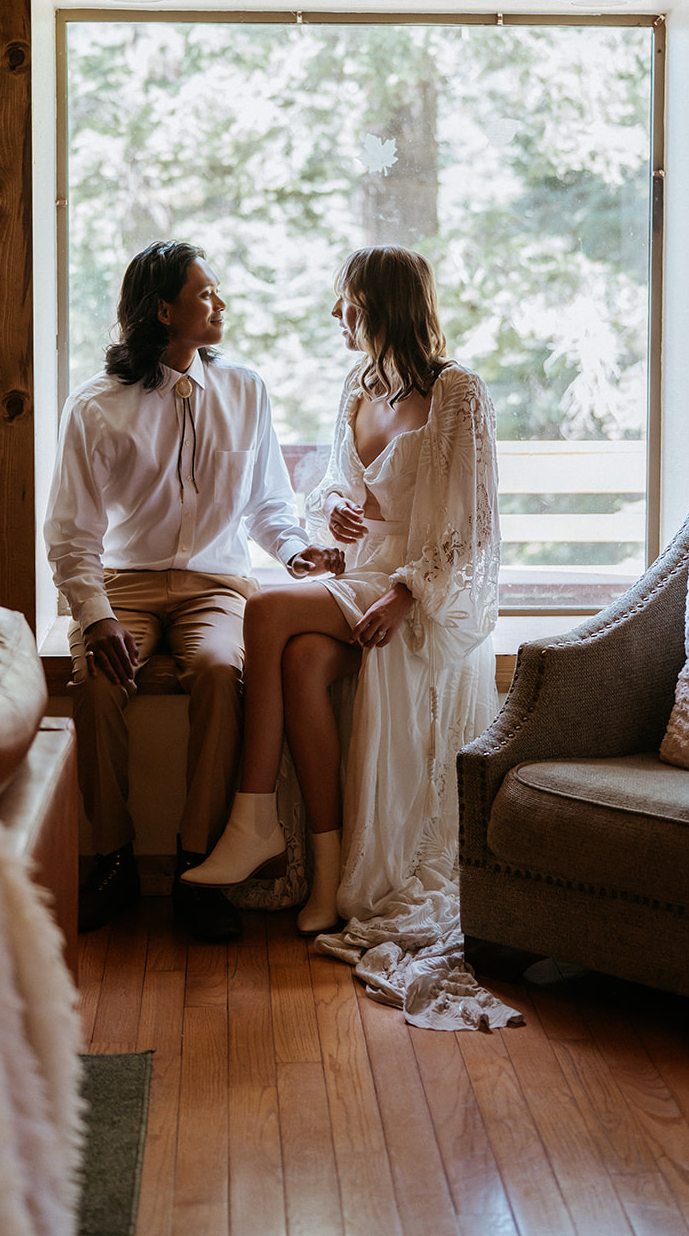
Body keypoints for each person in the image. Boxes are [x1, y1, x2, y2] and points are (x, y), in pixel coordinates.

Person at [182, 246, 516, 1029]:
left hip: (414, 596)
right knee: (298, 661)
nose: (337, 315)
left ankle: (252, 816)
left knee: (266, 612)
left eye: (347, 302)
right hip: (360, 577)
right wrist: (333, 511)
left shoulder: (457, 393)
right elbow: (337, 483)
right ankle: (327, 872)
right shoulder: (356, 389)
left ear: (383, 306)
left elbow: (475, 531)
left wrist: (408, 592)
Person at [44, 240, 341, 943]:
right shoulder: (96, 407)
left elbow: (270, 504)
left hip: (215, 583)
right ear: (163, 310)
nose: (221, 304)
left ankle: (197, 863)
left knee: (218, 671)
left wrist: (298, 554)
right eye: (205, 293)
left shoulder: (245, 389)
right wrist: (95, 617)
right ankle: (112, 857)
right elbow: (69, 533)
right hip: (127, 584)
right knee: (93, 684)